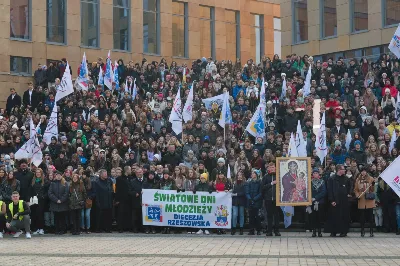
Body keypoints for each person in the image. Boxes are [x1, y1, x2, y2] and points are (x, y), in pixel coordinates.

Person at [326, 164, 351, 237]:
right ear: (339, 170)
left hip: (344, 201)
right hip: (335, 200)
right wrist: (331, 200)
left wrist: (348, 193)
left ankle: (344, 231)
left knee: (344, 216)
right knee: (334, 216)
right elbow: (329, 190)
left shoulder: (346, 178)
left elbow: (349, 187)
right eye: (343, 169)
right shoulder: (332, 178)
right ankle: (333, 231)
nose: (345, 170)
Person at [354, 166, 375, 237]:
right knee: (362, 217)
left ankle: (371, 231)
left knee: (370, 217)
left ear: (367, 172)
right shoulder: (358, 179)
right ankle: (362, 231)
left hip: (369, 200)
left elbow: (373, 190)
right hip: (361, 199)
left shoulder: (371, 178)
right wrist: (357, 195)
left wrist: (372, 185)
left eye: (364, 171)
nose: (363, 172)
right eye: (362, 171)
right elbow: (355, 189)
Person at [262, 162, 281, 237]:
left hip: (277, 199)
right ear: (268, 169)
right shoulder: (266, 177)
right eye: (271, 167)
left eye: (273, 167)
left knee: (276, 215)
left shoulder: (278, 176)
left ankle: (277, 231)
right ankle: (269, 231)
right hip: (268, 199)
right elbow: (262, 187)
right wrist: (271, 183)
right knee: (269, 215)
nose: (272, 168)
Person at [308, 168, 327, 237]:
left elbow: (324, 192)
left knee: (319, 217)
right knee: (313, 217)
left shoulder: (322, 182)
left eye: (316, 173)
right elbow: (308, 191)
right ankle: (314, 231)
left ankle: (319, 231)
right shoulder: (310, 182)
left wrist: (316, 198)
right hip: (312, 202)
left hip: (320, 202)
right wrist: (311, 198)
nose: (315, 174)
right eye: (314, 173)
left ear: (319, 174)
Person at [30, 168, 47, 235]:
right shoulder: (33, 180)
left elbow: (47, 191)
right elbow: (30, 190)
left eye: (39, 172)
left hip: (41, 200)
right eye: (36, 172)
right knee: (34, 214)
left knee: (40, 214)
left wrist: (43, 197)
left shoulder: (45, 181)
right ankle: (36, 228)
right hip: (34, 200)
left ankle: (41, 228)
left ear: (41, 173)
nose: (38, 173)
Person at [246, 169, 262, 235]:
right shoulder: (249, 182)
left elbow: (260, 193)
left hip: (257, 201)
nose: (252, 175)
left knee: (257, 216)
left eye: (254, 173)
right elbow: (247, 192)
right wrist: (250, 199)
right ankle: (251, 230)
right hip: (250, 202)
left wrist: (254, 199)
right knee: (251, 216)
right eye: (252, 173)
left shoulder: (260, 182)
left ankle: (258, 230)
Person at [129, 167, 144, 233]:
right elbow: (129, 191)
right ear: (135, 174)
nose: (139, 174)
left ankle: (142, 228)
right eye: (137, 173)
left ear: (142, 172)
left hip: (145, 202)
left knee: (143, 216)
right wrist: (135, 193)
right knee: (135, 216)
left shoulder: (146, 180)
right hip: (136, 201)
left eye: (140, 172)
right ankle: (135, 228)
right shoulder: (132, 181)